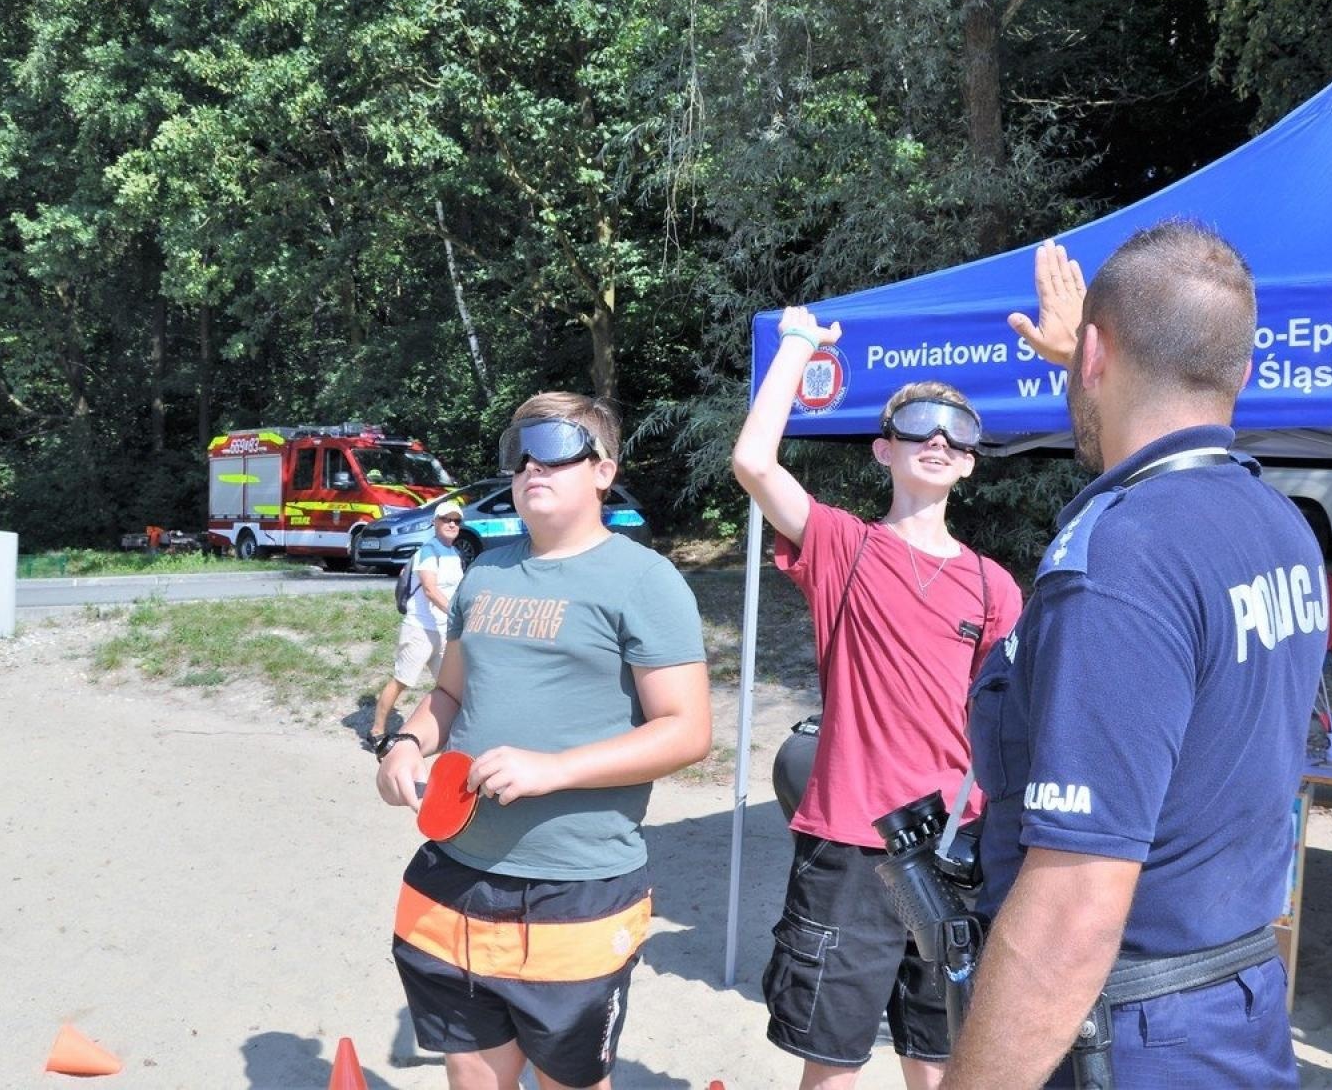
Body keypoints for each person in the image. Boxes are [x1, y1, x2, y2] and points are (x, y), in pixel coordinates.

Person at [944, 224, 1329, 1089]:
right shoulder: (1282, 530)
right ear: (1246, 372)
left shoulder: (1125, 558)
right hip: (1238, 1009)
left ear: (1094, 357)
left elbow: (1072, 909)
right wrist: (1087, 357)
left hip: (1128, 1040)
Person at [375, 392, 711, 1090]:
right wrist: (406, 744)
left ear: (603, 470)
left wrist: (554, 769)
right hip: (454, 871)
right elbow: (450, 696)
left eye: (557, 452)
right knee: (471, 1073)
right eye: (521, 455)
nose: (534, 468)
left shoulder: (646, 581)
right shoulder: (486, 570)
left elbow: (687, 731)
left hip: (575, 888)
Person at [733, 314, 1023, 1090]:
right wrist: (799, 343)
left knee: (938, 1056)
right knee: (832, 1063)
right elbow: (754, 461)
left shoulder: (995, 585)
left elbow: (1004, 722)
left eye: (958, 435)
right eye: (918, 427)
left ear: (969, 464)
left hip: (952, 847)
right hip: (851, 842)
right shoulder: (843, 547)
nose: (939, 441)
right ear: (882, 448)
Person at [369, 498, 465, 749]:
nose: (452, 524)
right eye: (446, 519)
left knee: (451, 685)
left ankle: (452, 735)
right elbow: (431, 591)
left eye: (456, 521)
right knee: (402, 680)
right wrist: (458, 615)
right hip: (420, 628)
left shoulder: (453, 553)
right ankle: (377, 731)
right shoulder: (428, 551)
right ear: (435, 522)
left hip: (443, 631)